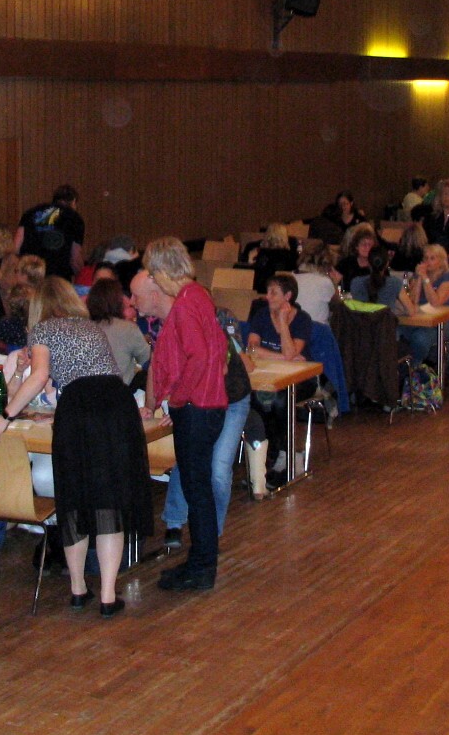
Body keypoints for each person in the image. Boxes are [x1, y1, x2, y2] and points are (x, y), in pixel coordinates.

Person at [0, 278, 151, 617]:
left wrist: (4, 417)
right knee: (109, 499)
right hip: (115, 404)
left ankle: (78, 589)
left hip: (78, 408)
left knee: (73, 497)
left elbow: (39, 377)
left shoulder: (44, 330)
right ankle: (108, 595)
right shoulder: (90, 327)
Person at [141, 242, 228, 593]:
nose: (152, 279)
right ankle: (199, 561)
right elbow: (217, 348)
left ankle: (203, 567)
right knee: (198, 489)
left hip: (197, 408)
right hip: (206, 405)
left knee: (197, 490)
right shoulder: (198, 295)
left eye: (152, 272)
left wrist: (177, 396)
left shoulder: (188, 302)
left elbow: (200, 356)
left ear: (164, 271)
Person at [245, 273, 314, 487]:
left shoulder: (302, 319)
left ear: (288, 296)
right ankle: (269, 455)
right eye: (268, 292)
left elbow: (293, 352)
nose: (268, 297)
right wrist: (283, 357)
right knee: (258, 399)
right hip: (270, 376)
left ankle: (287, 453)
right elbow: (252, 348)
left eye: (273, 293)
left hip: (301, 379)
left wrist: (283, 322)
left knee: (280, 400)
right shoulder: (261, 315)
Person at [86, 278, 150, 391]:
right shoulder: (128, 329)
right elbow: (147, 359)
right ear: (117, 301)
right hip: (120, 392)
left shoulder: (83, 328)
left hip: (88, 392)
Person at [399, 243, 449, 366]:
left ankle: (415, 368)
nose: (428, 262)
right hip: (421, 319)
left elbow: (435, 302)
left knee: (420, 338)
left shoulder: (447, 277)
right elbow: (413, 300)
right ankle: (400, 367)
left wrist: (425, 279)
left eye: (432, 258)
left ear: (441, 261)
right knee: (396, 331)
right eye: (425, 258)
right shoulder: (420, 274)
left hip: (445, 322)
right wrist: (419, 278)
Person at [16, 185, 85, 281]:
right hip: (58, 277)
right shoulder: (74, 218)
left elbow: (16, 246)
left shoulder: (30, 213)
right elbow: (75, 259)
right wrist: (81, 277)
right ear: (73, 201)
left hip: (30, 274)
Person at [294, 240, 339, 326]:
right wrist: (335, 283)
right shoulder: (324, 281)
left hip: (294, 326)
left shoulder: (292, 277)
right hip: (317, 328)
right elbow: (337, 306)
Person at [251, 224, 299, 293]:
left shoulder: (262, 254)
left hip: (262, 289)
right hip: (283, 290)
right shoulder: (291, 255)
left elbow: (258, 274)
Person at [336, 223, 378, 294]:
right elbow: (334, 283)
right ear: (356, 246)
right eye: (364, 244)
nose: (367, 248)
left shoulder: (378, 264)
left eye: (370, 245)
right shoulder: (345, 264)